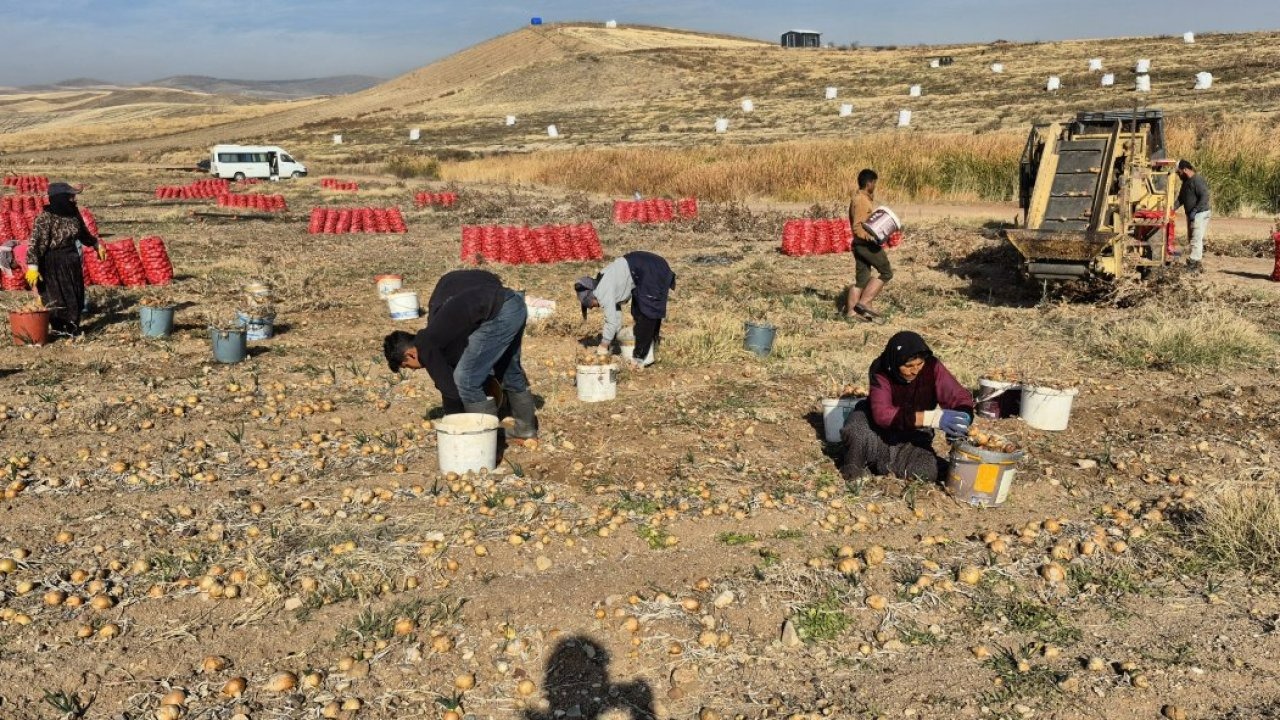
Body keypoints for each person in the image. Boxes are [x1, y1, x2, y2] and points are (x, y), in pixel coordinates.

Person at [382, 269, 537, 438]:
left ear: (411, 354)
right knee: (509, 369)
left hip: (498, 313)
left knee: (466, 379)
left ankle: (486, 439)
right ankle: (525, 429)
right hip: (513, 302)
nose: (412, 370)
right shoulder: (438, 330)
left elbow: (450, 390)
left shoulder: (426, 345)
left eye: (407, 366)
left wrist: (454, 423)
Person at [839, 331, 974, 483]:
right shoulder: (882, 369)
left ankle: (882, 465)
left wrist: (963, 416)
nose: (915, 370)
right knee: (856, 428)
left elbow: (958, 395)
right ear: (895, 364)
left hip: (911, 437)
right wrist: (932, 418)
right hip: (876, 431)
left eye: (919, 364)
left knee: (927, 471)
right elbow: (883, 415)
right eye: (908, 366)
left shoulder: (931, 367)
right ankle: (856, 468)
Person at [25, 183, 103, 337]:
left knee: (75, 295)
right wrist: (33, 267)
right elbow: (36, 243)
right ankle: (60, 329)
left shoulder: (73, 214)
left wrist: (95, 243)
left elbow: (83, 233)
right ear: (60, 198)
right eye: (70, 196)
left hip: (71, 260)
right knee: (57, 298)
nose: (74, 199)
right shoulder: (45, 218)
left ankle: (72, 328)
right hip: (52, 262)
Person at [575, 251, 675, 368]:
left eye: (591, 305)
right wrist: (612, 340)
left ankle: (639, 359)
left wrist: (603, 345)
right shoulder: (604, 282)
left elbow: (611, 321)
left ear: (590, 296)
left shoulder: (602, 291)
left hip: (651, 268)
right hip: (646, 268)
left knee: (647, 313)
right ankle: (651, 348)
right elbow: (616, 317)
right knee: (639, 312)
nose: (594, 307)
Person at [845, 169, 892, 321]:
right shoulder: (861, 201)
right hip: (865, 245)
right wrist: (871, 238)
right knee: (886, 272)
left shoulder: (860, 198)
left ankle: (852, 314)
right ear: (869, 183)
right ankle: (865, 303)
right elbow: (858, 227)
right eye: (874, 183)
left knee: (862, 280)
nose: (875, 186)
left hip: (858, 245)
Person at [1173, 160, 1210, 274]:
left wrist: (1195, 210)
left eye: (1179, 173)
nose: (1178, 175)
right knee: (1192, 238)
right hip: (1192, 214)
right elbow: (1181, 199)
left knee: (1196, 238)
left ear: (1184, 170)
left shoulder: (1197, 180)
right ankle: (1197, 262)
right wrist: (1172, 208)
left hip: (1200, 213)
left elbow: (1204, 196)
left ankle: (1193, 263)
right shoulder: (1185, 182)